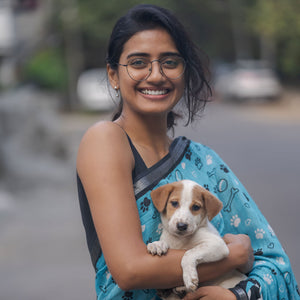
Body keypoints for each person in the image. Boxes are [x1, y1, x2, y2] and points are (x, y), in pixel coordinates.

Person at [76, 4, 299, 300]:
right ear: (114, 75)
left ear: (184, 72)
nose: (156, 75)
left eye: (169, 62)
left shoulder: (202, 161)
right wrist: (233, 258)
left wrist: (238, 295)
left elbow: (272, 260)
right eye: (139, 63)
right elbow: (130, 270)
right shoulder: (105, 140)